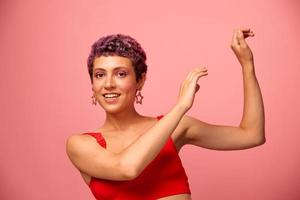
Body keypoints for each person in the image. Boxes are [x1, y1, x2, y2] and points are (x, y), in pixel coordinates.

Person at [66, 28, 265, 200]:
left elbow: (252, 135)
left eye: (120, 74)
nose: (108, 84)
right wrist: (180, 106)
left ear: (140, 80)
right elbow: (127, 168)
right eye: (99, 75)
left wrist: (247, 66)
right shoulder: (80, 145)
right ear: (92, 84)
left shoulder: (174, 127)